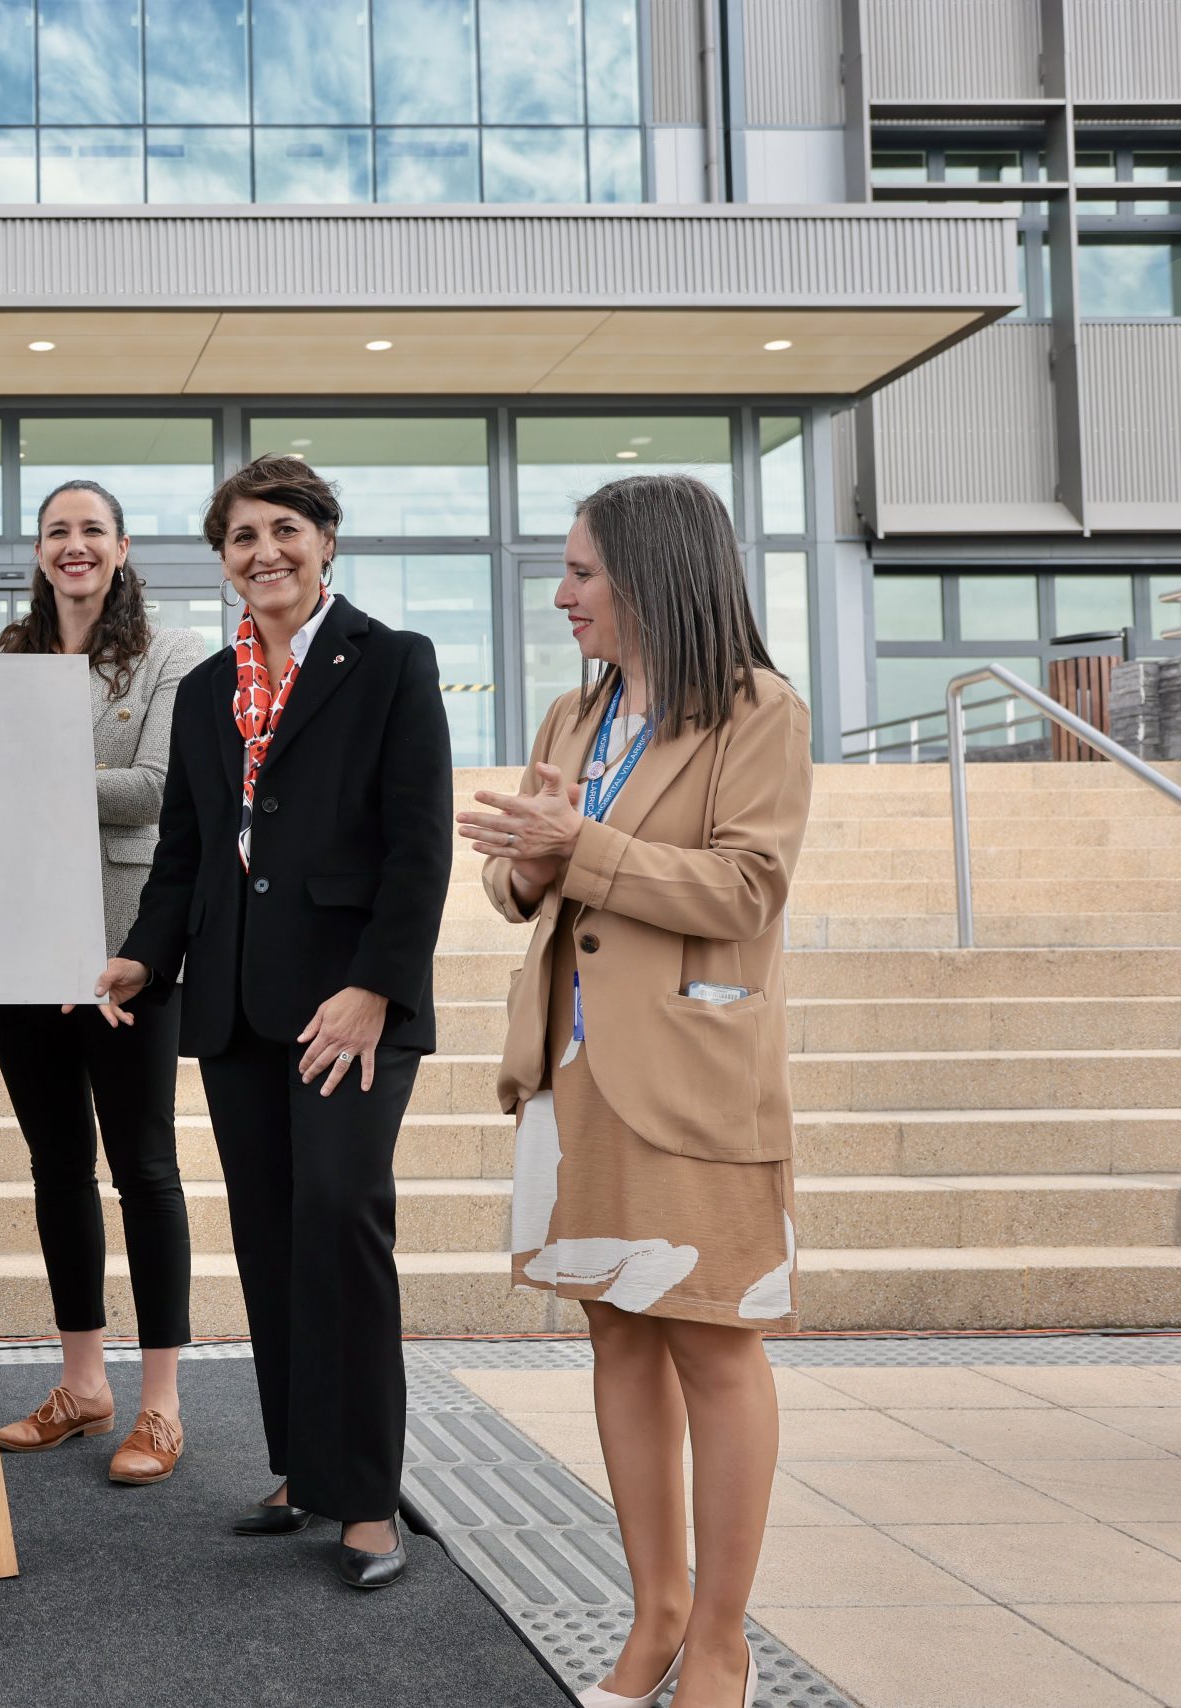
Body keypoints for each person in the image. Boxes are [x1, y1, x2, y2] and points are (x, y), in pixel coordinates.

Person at [457, 473, 809, 1708]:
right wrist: (516, 864)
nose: (561, 596)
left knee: (712, 1340)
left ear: (652, 575)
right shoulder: (570, 715)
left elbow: (744, 890)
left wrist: (578, 847)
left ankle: (721, 1641)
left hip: (692, 1078)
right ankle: (654, 1610)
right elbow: (529, 896)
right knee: (614, 1328)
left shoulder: (758, 711)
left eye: (580, 573)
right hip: (573, 1067)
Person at [94, 454, 451, 1591]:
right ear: (222, 560)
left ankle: (365, 1500)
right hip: (242, 1005)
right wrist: (143, 958)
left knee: (341, 1224)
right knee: (272, 1235)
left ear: (327, 539)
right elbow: (186, 859)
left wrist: (377, 984)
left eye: (285, 529)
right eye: (242, 537)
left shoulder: (391, 663)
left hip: (350, 1003)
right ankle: (301, 1465)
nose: (266, 553)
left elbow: (418, 845)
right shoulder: (206, 691)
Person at [0, 479, 200, 1485]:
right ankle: (84, 1383)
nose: (74, 546)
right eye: (56, 531)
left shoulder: (168, 658)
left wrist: (25, 769)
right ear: (39, 551)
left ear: (119, 549)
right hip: (20, 942)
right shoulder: (3, 661)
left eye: (91, 530)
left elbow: (155, 792)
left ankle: (158, 1404)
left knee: (144, 1169)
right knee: (56, 1166)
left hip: (124, 946)